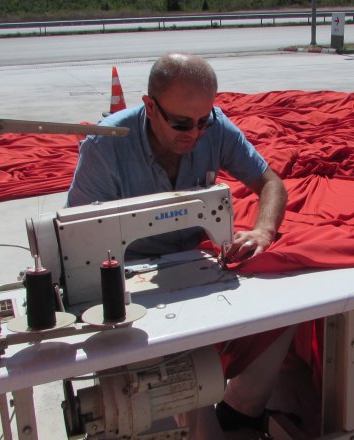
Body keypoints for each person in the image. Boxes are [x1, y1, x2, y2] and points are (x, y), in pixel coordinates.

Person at [67, 53, 293, 437]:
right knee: (167, 366)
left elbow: (271, 183)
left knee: (285, 313)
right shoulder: (106, 146)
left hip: (193, 259)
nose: (196, 133)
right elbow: (78, 238)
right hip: (129, 268)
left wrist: (263, 231)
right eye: (181, 123)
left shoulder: (216, 128)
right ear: (150, 107)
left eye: (204, 121)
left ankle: (243, 408)